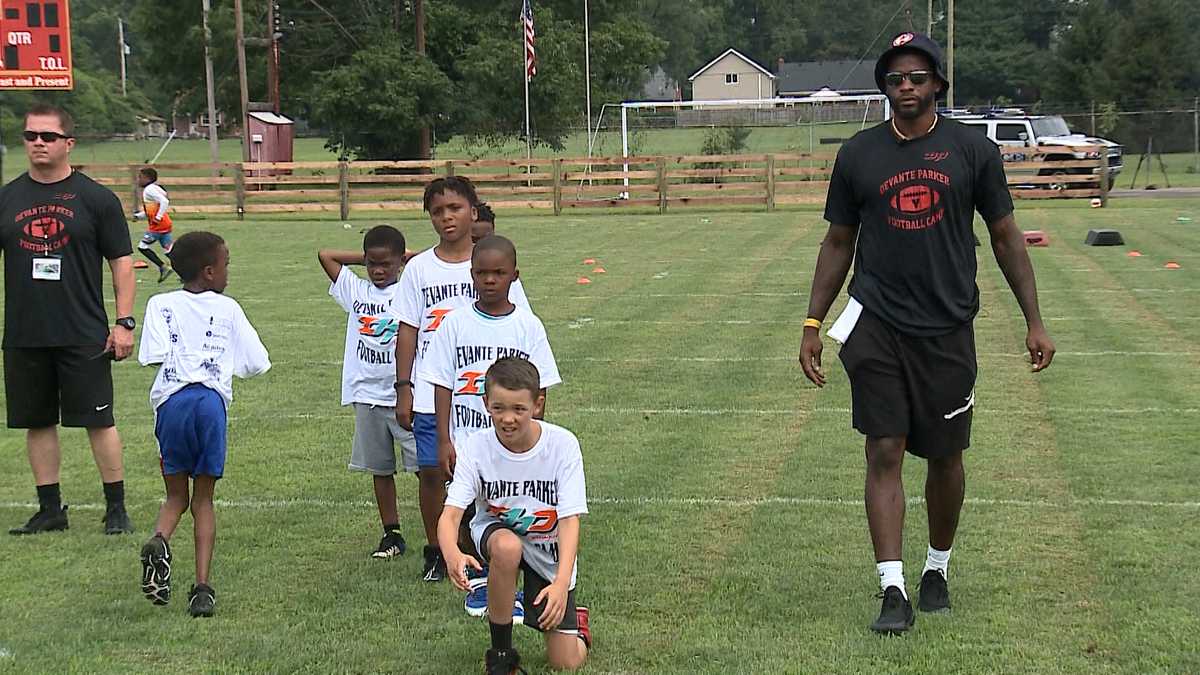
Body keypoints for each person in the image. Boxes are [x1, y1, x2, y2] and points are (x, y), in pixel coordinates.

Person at [798, 32, 1056, 635]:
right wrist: (813, 322)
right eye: (894, 78)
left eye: (917, 77)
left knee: (945, 456)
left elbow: (1004, 236)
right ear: (884, 87)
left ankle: (936, 567)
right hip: (876, 321)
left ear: (938, 83)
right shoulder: (859, 154)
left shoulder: (971, 151)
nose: (905, 87)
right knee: (884, 447)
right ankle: (892, 588)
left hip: (946, 327)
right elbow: (838, 242)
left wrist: (1034, 320)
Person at [1, 104, 137, 536]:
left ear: (68, 143)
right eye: (30, 136)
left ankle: (115, 508)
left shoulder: (95, 199)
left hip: (82, 330)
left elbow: (122, 262)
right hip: (25, 332)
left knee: (99, 420)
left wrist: (124, 322)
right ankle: (50, 509)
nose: (38, 143)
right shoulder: (7, 198)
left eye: (48, 136)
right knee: (36, 421)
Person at [394, 177, 529, 584]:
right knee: (432, 471)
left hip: (487, 393)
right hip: (432, 389)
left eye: (455, 208)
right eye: (438, 211)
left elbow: (518, 321)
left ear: (473, 210)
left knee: (490, 470)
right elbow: (407, 330)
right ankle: (438, 550)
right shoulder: (419, 268)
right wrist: (404, 387)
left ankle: (487, 549)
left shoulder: (492, 260)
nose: (447, 217)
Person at [419, 235, 561, 621]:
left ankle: (509, 584)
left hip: (515, 440)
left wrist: (535, 442)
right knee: (467, 510)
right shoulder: (455, 323)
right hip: (468, 436)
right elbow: (441, 381)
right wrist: (445, 437)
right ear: (471, 275)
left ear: (515, 275)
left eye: (499, 273)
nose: (490, 280)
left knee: (508, 510)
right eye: (482, 273)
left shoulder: (527, 326)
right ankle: (479, 581)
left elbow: (541, 385)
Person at [137, 231, 271, 617]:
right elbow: (256, 362)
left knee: (175, 496)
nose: (229, 272)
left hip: (172, 403)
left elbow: (153, 354)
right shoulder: (228, 308)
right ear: (210, 272)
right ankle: (201, 589)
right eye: (226, 264)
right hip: (210, 403)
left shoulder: (160, 303)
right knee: (204, 499)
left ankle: (160, 539)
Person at [438, 357, 590, 674]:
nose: (508, 419)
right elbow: (451, 515)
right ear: (486, 404)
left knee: (566, 662)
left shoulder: (563, 445)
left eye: (519, 409)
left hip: (548, 548)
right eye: (499, 408)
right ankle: (502, 656)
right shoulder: (477, 447)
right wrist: (451, 552)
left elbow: (569, 520)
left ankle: (578, 623)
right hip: (498, 532)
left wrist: (561, 583)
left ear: (538, 404)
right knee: (507, 547)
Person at [318, 225, 417, 559]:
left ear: (400, 262)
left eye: (385, 264)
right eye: (372, 264)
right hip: (367, 396)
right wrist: (368, 257)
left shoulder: (409, 290)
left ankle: (447, 530)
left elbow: (427, 263)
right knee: (380, 469)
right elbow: (325, 255)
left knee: (426, 470)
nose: (377, 270)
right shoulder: (357, 291)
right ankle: (392, 533)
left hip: (405, 395)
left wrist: (405, 261)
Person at [133, 167, 175, 283]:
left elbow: (164, 202)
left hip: (158, 226)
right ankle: (188, 273)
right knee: (169, 251)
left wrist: (158, 218)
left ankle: (163, 267)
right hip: (165, 224)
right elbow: (152, 210)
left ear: (147, 178)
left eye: (140, 177)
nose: (138, 180)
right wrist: (139, 216)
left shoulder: (149, 189)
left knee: (142, 246)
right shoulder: (155, 188)